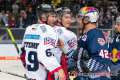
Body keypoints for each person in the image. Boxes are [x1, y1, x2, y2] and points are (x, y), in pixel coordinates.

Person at [57, 7, 111, 80]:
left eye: (79, 18)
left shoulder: (96, 34)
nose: (78, 21)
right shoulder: (87, 35)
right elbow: (78, 56)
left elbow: (102, 60)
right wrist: (63, 48)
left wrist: (78, 66)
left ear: (86, 19)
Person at [19, 4, 66, 80]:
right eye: (52, 16)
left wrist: (30, 72)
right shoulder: (50, 30)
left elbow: (22, 54)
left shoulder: (29, 29)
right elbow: (45, 54)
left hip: (31, 76)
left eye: (55, 17)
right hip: (45, 77)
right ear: (43, 17)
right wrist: (59, 69)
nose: (55, 20)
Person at [53, 7, 77, 80]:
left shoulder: (47, 31)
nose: (69, 20)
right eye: (66, 17)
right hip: (62, 75)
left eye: (70, 17)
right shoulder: (69, 34)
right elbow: (77, 55)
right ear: (59, 19)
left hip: (49, 74)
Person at [109, 16, 120, 80]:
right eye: (115, 24)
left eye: (118, 25)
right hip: (112, 76)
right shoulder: (113, 39)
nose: (115, 26)